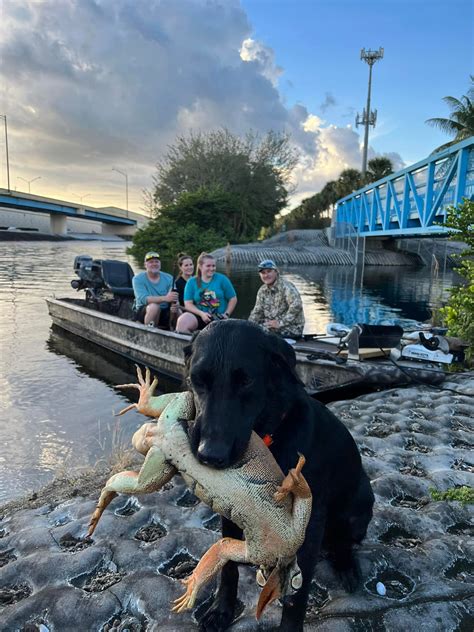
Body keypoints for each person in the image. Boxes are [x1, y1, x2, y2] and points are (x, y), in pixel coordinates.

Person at [176, 252, 237, 334]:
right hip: (201, 316)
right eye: (208, 266)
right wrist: (201, 314)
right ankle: (191, 344)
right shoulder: (191, 282)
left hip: (220, 318)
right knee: (182, 321)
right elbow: (188, 304)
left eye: (213, 266)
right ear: (200, 266)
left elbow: (233, 298)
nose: (212, 268)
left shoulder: (222, 279)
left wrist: (226, 314)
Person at [248, 259, 305, 339]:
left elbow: (296, 306)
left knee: (260, 332)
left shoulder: (286, 287)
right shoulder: (262, 290)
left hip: (292, 328)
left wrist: (280, 323)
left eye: (269, 271)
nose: (266, 275)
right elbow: (257, 312)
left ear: (276, 271)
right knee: (251, 330)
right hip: (271, 325)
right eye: (263, 273)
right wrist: (248, 326)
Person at [132, 251, 178, 328]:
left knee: (178, 310)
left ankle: (179, 333)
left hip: (165, 311)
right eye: (151, 262)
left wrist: (176, 304)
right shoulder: (137, 279)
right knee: (154, 307)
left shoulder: (169, 278)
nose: (154, 264)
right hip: (144, 311)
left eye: (157, 261)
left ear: (160, 264)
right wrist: (165, 298)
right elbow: (143, 299)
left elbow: (173, 297)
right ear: (145, 265)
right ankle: (148, 333)